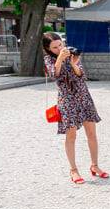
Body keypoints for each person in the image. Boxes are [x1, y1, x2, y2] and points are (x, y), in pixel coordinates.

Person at [42, 32, 106, 183]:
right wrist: (59, 58)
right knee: (71, 135)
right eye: (55, 47)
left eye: (60, 45)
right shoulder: (49, 59)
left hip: (83, 97)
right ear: (48, 48)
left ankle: (95, 166)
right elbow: (54, 74)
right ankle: (73, 170)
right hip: (67, 100)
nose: (59, 48)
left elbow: (81, 75)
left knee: (92, 133)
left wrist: (73, 64)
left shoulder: (72, 53)